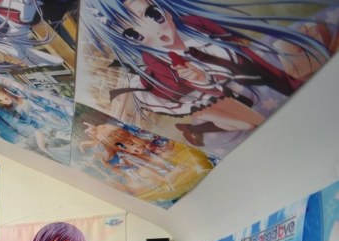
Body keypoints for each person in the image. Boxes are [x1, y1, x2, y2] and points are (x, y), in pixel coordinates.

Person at [81, 0, 333, 147]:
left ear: (164, 9)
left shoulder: (194, 24)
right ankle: (201, 127)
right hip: (191, 95)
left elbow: (239, 50)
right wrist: (202, 81)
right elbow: (185, 92)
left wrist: (284, 81)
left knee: (266, 68)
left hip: (230, 71)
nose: (160, 34)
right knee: (244, 119)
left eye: (153, 14)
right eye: (134, 34)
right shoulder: (158, 63)